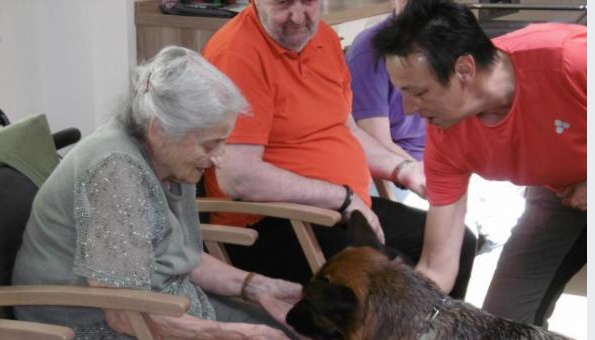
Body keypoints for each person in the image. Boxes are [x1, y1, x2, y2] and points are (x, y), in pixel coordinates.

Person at [12, 46, 307, 340]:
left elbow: (179, 254)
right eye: (211, 144)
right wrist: (236, 337)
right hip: (77, 339)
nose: (218, 157)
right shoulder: (115, 169)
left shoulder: (167, 159)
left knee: (289, 332)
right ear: (160, 130)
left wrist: (258, 286)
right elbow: (122, 313)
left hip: (147, 306)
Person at [201, 0, 477, 298]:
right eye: (282, 3)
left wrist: (403, 169)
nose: (296, 17)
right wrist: (342, 199)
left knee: (458, 242)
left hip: (341, 210)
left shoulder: (324, 38)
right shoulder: (236, 53)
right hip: (266, 225)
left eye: (307, 2)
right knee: (399, 283)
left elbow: (345, 129)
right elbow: (239, 177)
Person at [371, 0, 586, 327]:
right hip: (559, 195)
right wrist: (389, 336)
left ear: (464, 70)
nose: (409, 108)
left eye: (418, 92)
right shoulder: (445, 135)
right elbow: (436, 264)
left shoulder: (567, 59)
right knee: (502, 327)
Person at [347, 0, 426, 204]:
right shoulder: (369, 51)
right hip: (401, 172)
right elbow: (378, 142)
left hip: (448, 161)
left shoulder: (451, 40)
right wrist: (423, 173)